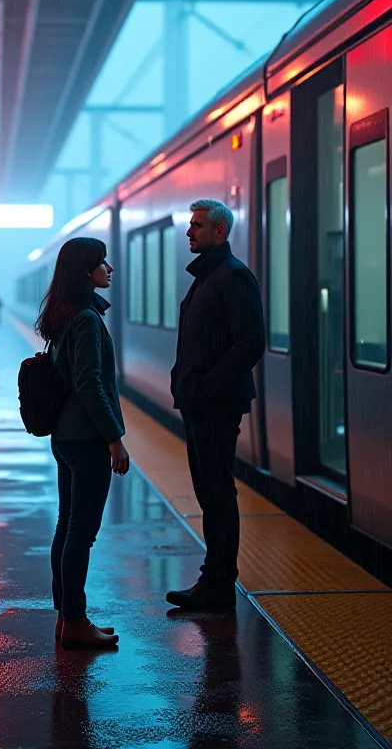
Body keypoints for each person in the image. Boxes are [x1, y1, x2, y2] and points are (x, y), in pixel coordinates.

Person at [166, 199, 265, 612]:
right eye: (190, 225)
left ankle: (219, 582)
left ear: (219, 232)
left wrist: (208, 387)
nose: (189, 232)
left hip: (215, 405)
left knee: (217, 492)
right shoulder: (208, 276)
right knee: (210, 491)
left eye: (197, 226)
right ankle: (216, 578)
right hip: (200, 402)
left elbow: (250, 343)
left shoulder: (234, 276)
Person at [37, 237, 129, 650]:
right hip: (88, 438)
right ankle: (74, 620)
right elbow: (90, 383)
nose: (108, 268)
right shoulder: (87, 318)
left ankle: (66, 617)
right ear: (84, 272)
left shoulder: (64, 314)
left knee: (67, 528)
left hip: (65, 436)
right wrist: (115, 439)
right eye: (101, 262)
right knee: (81, 533)